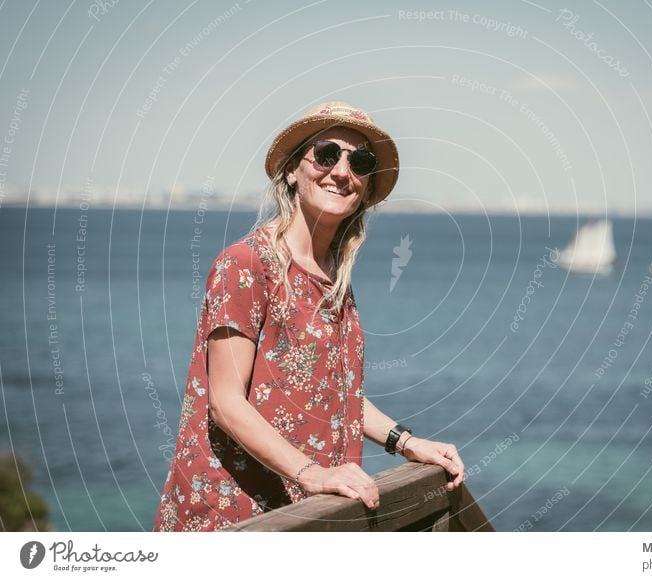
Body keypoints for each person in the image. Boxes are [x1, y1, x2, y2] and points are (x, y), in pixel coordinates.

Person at [154, 101, 465, 531]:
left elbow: (337, 398)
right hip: (236, 521)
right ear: (292, 170)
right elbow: (225, 403)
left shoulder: (332, 281)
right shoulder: (247, 264)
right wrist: (312, 474)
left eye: (360, 161)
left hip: (305, 518)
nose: (341, 171)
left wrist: (406, 442)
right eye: (325, 154)